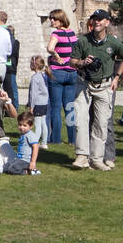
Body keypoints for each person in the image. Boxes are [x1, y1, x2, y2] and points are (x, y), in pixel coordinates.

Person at [70, 8, 123, 171]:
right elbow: (72, 61)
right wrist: (82, 62)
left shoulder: (113, 42)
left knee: (102, 123)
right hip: (84, 84)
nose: (97, 22)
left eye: (101, 19)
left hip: (104, 85)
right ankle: (82, 156)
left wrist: (117, 77)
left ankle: (97, 159)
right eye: (94, 19)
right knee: (81, 120)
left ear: (107, 22)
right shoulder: (83, 41)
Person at [45, 9, 79, 146]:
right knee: (70, 107)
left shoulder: (56, 33)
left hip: (58, 73)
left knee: (55, 107)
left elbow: (50, 48)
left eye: (54, 19)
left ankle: (56, 139)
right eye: (51, 19)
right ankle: (72, 138)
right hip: (72, 73)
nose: (52, 21)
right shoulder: (72, 33)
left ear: (61, 19)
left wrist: (57, 57)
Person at [27, 55, 50, 147]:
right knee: (43, 123)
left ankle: (35, 143)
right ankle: (44, 143)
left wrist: (31, 106)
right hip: (44, 103)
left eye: (30, 63)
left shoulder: (35, 78)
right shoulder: (44, 76)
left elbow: (33, 94)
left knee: (37, 124)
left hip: (37, 104)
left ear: (34, 65)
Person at [0, 10, 21, 107]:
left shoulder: (5, 32)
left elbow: (11, 49)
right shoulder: (4, 31)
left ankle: (14, 107)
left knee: (11, 88)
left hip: (7, 64)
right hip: (6, 63)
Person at [14, 110, 41, 174]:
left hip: (26, 161)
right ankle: (29, 170)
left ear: (31, 126)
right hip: (19, 159)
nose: (21, 127)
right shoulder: (23, 134)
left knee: (11, 169)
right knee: (7, 166)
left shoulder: (31, 135)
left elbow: (36, 148)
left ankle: (27, 171)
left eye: (24, 125)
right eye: (20, 125)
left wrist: (33, 162)